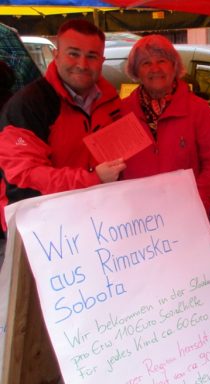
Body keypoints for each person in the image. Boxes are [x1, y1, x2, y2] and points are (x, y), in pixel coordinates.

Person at [0, 19, 125, 267]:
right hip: (37, 232)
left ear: (102, 60)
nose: (82, 64)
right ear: (56, 55)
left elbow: (118, 158)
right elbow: (25, 176)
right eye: (73, 54)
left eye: (91, 56)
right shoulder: (29, 104)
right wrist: (92, 178)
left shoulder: (111, 100)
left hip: (93, 226)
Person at [121, 34, 210, 216]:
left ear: (174, 66)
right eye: (145, 63)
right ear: (136, 71)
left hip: (186, 215)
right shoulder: (121, 113)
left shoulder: (198, 109)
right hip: (136, 219)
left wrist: (199, 201)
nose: (155, 68)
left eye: (162, 61)